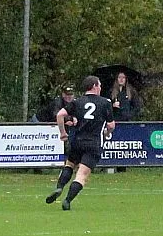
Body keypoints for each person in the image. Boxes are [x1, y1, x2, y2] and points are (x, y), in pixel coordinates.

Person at [48, 76, 115, 211]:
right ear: (94, 86)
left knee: (69, 165)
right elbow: (111, 125)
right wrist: (107, 133)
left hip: (77, 142)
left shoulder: (77, 102)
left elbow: (60, 115)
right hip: (93, 143)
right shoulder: (105, 103)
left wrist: (63, 133)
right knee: (82, 175)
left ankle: (59, 187)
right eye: (99, 85)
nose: (100, 88)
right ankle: (67, 200)